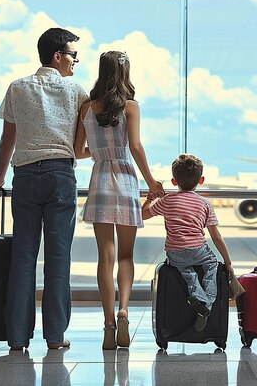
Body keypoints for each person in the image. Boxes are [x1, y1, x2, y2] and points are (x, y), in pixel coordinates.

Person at [0, 28, 88, 351]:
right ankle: (55, 337)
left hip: (25, 175)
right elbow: (78, 144)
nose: (76, 61)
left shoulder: (17, 87)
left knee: (23, 258)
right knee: (58, 259)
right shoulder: (76, 92)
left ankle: (17, 337)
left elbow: (7, 139)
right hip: (60, 174)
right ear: (57, 55)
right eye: (73, 54)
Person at [74, 51, 164, 350]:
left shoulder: (86, 107)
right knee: (126, 256)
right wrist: (151, 182)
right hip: (126, 182)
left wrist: (99, 153)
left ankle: (109, 323)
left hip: (99, 182)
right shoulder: (130, 107)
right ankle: (124, 308)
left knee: (105, 257)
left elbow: (78, 150)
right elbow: (135, 147)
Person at [142, 154, 234, 332]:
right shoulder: (204, 204)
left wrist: (149, 197)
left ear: (174, 181)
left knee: (187, 272)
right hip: (198, 250)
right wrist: (228, 263)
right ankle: (206, 304)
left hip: (175, 253)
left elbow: (142, 214)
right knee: (211, 265)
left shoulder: (167, 201)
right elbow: (216, 236)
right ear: (201, 180)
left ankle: (197, 297)